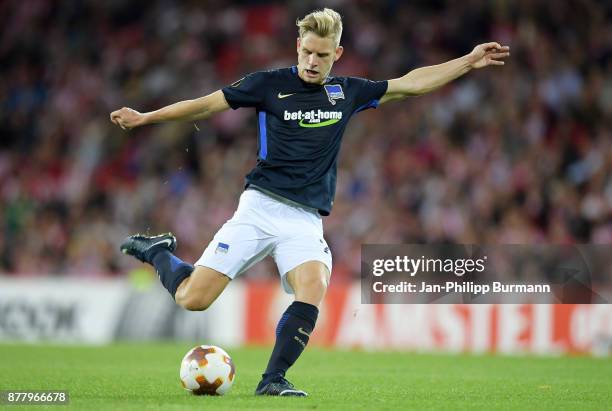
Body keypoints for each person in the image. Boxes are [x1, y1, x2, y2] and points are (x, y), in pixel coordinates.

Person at [110, 8, 509, 396]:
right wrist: (147, 117)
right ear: (298, 44)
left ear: (336, 54)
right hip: (259, 207)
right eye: (307, 51)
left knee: (314, 284)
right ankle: (160, 252)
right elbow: (206, 104)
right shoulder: (268, 84)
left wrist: (468, 62)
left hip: (303, 220)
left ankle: (273, 379)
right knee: (192, 299)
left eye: (322, 54)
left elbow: (411, 83)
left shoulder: (347, 92)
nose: (312, 61)